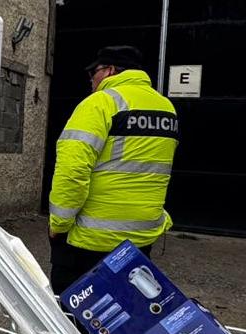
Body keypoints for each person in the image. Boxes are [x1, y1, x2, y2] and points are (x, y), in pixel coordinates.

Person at [48, 45, 180, 295]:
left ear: (109, 70)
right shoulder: (166, 108)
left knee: (72, 317)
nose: (91, 80)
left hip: (91, 241)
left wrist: (59, 224)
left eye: (93, 73)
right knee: (121, 316)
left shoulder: (100, 103)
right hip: (140, 239)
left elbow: (72, 171)